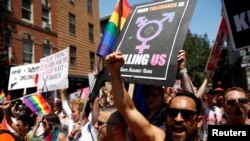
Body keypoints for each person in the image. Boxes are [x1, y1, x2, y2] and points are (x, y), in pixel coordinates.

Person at [105, 51, 203, 141]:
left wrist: (182, 71)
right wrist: (115, 72)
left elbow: (192, 100)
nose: (178, 119)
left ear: (199, 121)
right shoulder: (159, 138)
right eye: (172, 113)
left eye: (187, 115)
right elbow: (127, 109)